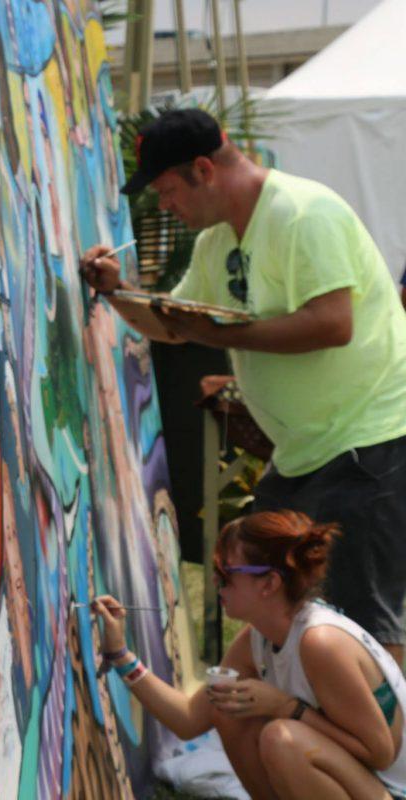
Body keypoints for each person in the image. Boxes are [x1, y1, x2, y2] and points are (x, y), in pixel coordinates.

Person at [79, 108, 406, 662]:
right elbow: (175, 326)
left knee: (368, 618)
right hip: (304, 454)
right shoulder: (216, 244)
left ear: (204, 169)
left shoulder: (304, 213)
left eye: (167, 189)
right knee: (268, 595)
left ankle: (384, 746)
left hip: (366, 445)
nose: (164, 206)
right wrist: (117, 291)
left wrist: (227, 331)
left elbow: (333, 323)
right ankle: (330, 730)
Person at [92, 510, 406, 799]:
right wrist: (120, 655)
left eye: (225, 572)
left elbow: (379, 753)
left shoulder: (320, 642)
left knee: (282, 739)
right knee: (228, 710)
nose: (215, 581)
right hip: (364, 782)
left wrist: (285, 707)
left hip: (390, 789)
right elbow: (189, 719)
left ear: (269, 583)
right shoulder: (258, 637)